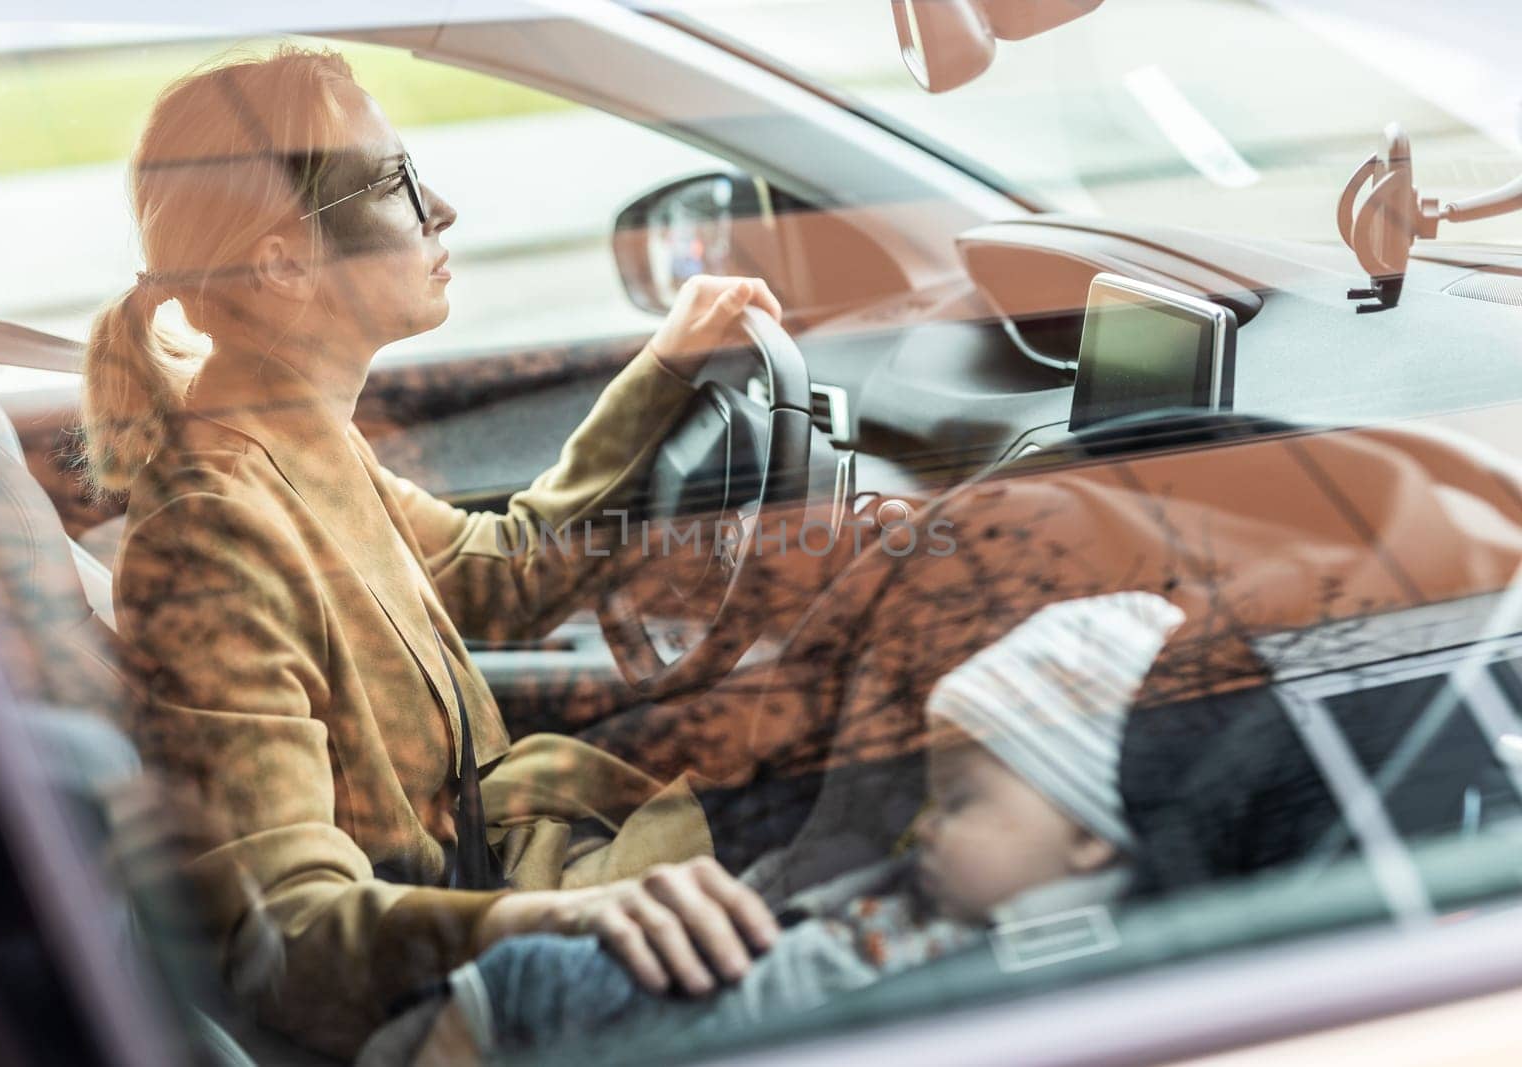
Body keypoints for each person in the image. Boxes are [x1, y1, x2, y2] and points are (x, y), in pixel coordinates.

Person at [82, 46, 784, 1058]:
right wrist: (542, 925)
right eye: (399, 183)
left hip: (519, 885)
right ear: (283, 263)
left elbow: (503, 574)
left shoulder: (301, 442)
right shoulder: (209, 536)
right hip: (474, 981)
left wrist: (665, 368)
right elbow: (282, 926)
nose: (440, 208)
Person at [358, 591, 1186, 1064]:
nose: (925, 826)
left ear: (1092, 835)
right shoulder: (965, 896)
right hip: (720, 988)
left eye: (961, 802)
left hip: (720, 1018)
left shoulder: (1049, 961)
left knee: (510, 987)